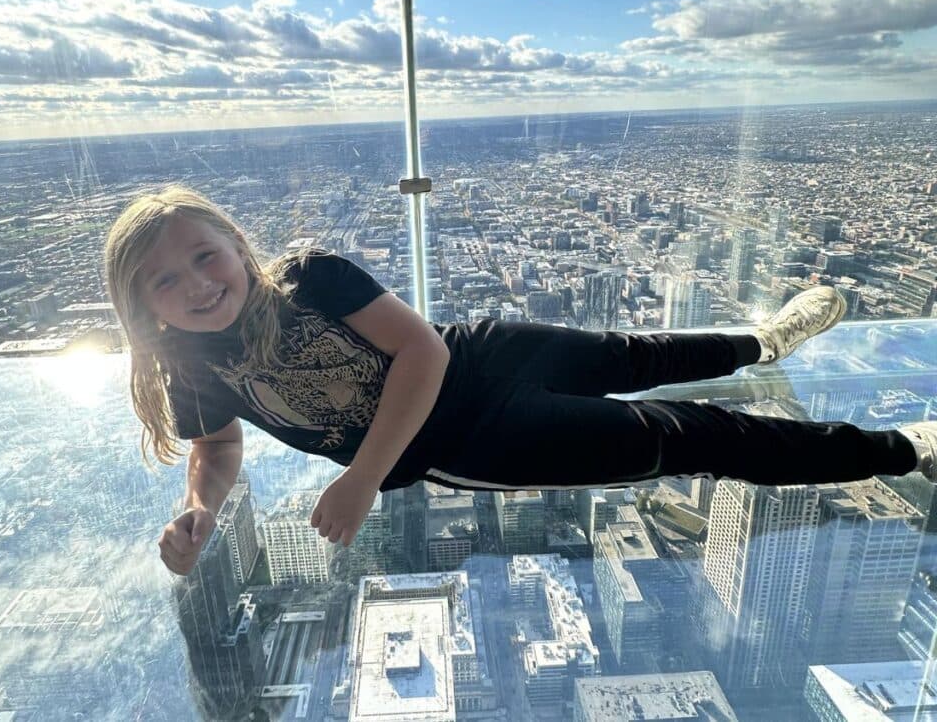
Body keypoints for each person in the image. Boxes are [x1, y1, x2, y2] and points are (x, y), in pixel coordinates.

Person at [104, 184, 937, 576]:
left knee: (631, 356)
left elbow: (423, 352)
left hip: (476, 357)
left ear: (235, 245)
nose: (197, 285)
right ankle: (904, 448)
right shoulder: (192, 366)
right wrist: (200, 511)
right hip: (468, 441)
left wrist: (360, 476)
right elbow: (214, 447)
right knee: (690, 439)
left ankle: (759, 345)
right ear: (145, 308)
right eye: (164, 282)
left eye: (202, 256)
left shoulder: (309, 277)